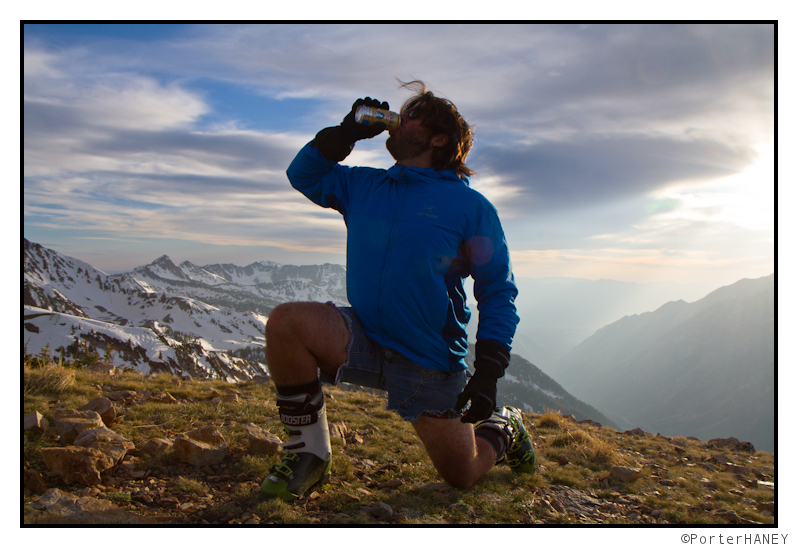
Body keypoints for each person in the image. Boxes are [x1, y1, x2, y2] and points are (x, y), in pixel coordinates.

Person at [261, 81, 534, 501]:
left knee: (462, 475)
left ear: (438, 138)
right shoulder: (366, 186)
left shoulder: (471, 208)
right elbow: (303, 174)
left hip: (427, 360)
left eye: (410, 117)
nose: (395, 121)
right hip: (365, 337)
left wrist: (488, 370)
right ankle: (309, 454)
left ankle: (505, 428)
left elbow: (497, 289)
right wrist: (345, 133)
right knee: (287, 323)